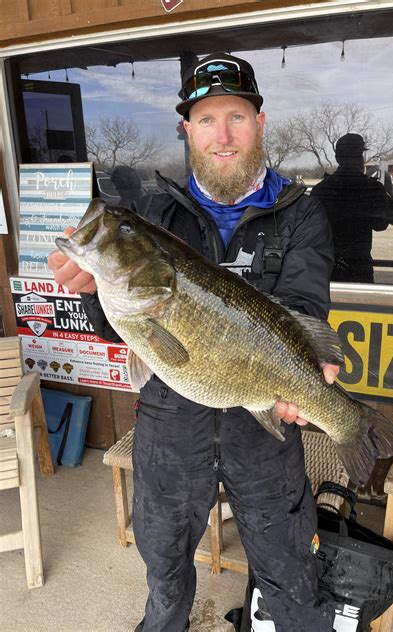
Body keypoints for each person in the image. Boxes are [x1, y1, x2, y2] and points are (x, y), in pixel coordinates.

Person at [48, 52, 340, 631]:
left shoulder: (301, 215)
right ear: (187, 130)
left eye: (235, 116)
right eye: (206, 120)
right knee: (164, 570)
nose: (222, 135)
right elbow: (120, 323)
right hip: (169, 424)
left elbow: (302, 311)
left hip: (264, 430)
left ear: (259, 122)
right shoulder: (153, 212)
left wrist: (306, 381)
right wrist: (91, 289)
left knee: (290, 575)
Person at [311, 133, 390, 283]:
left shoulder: (321, 190)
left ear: (337, 158)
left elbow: (311, 231)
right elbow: (381, 225)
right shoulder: (372, 188)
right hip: (360, 265)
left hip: (326, 265)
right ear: (360, 158)